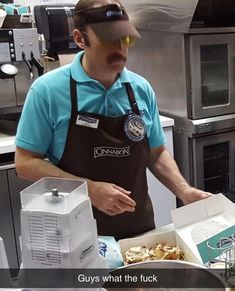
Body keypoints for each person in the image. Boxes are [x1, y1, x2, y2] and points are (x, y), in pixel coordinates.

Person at [15, 0, 212, 240]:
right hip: (75, 235)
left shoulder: (140, 88)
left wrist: (185, 191)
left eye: (125, 39)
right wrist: (90, 189)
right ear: (80, 39)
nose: (120, 48)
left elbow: (156, 152)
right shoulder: (47, 90)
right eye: (109, 39)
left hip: (138, 231)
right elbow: (25, 162)